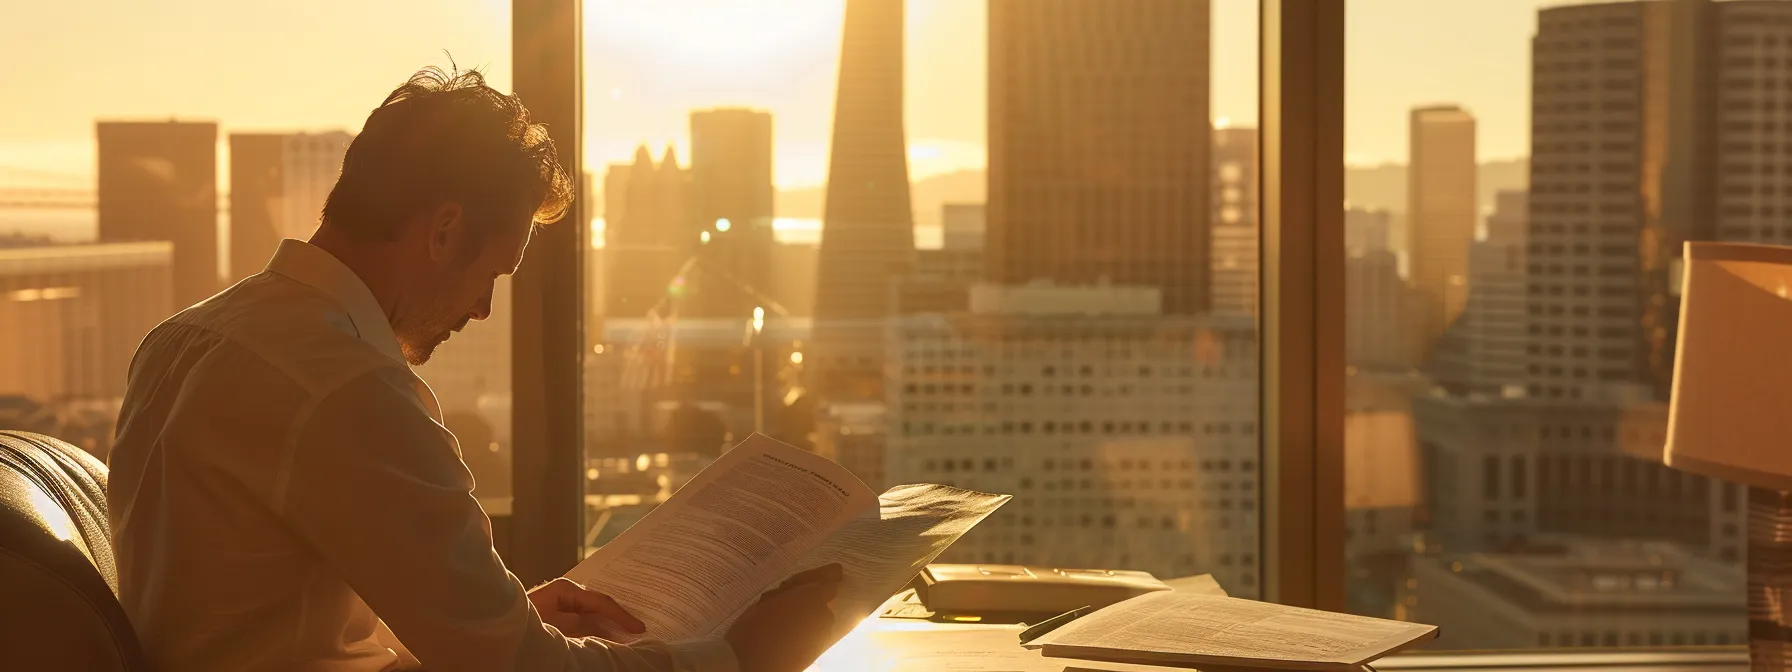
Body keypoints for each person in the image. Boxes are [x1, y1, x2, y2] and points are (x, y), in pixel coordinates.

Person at [107, 66, 840, 672]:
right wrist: (739, 656)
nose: (485, 309)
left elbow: (263, 619)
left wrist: (501, 616)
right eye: (494, 272)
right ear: (445, 229)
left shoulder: (182, 339)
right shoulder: (349, 389)